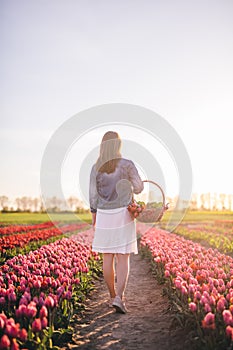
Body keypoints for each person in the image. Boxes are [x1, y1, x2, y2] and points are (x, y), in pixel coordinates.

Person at [89, 131, 144, 313]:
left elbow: (93, 195)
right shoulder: (127, 165)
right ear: (118, 145)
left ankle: (112, 296)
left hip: (104, 214)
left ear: (103, 146)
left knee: (107, 257)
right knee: (123, 257)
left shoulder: (96, 167)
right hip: (123, 213)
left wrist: (94, 216)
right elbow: (139, 187)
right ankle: (120, 298)